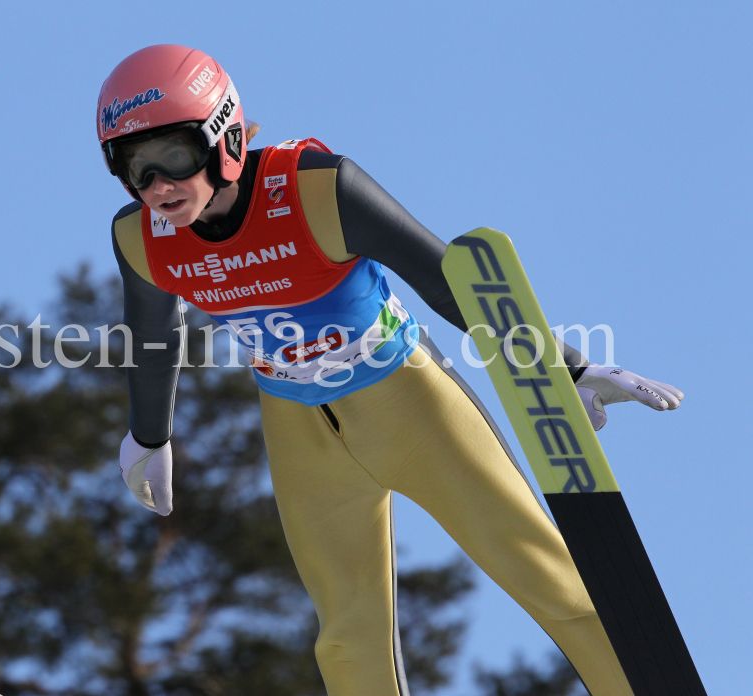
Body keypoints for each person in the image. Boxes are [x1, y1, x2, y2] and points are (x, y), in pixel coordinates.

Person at [99, 44, 683, 696]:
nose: (156, 186)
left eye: (172, 156)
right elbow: (154, 337)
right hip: (298, 427)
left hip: (405, 400)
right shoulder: (140, 238)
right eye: (132, 166)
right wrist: (149, 436)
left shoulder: (318, 186)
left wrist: (565, 369)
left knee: (545, 577)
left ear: (226, 136)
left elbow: (445, 280)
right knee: (347, 636)